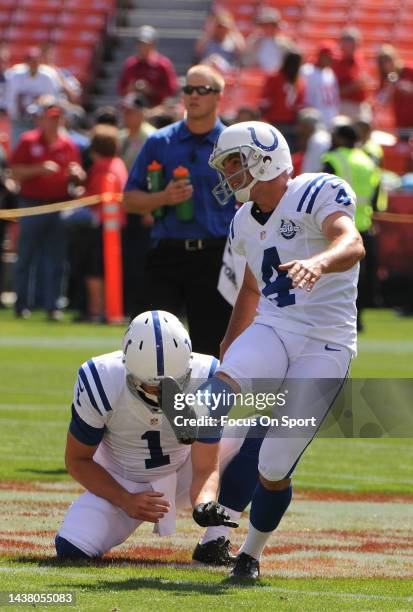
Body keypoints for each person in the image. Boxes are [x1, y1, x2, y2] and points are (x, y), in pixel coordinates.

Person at [162, 121, 365, 580]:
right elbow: (251, 287)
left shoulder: (316, 190)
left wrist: (317, 261)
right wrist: (230, 342)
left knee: (274, 464)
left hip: (326, 340)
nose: (229, 174)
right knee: (224, 382)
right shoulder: (242, 220)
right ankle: (200, 451)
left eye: (234, 162)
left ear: (263, 158)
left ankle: (250, 553)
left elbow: (351, 241)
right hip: (275, 326)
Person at [55, 311, 261, 564]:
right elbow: (77, 460)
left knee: (263, 432)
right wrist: (124, 499)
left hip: (183, 467)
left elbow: (206, 467)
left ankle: (215, 542)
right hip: (123, 479)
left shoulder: (207, 375)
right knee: (71, 548)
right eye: (152, 387)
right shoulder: (101, 379)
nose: (161, 394)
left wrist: (205, 504)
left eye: (171, 385)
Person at [123, 64, 235, 357]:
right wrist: (163, 197)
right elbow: (130, 199)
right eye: (188, 89)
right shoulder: (160, 141)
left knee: (212, 346)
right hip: (167, 253)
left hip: (217, 255)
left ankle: (208, 403)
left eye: (203, 90)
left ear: (218, 96)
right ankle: (155, 403)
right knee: (151, 344)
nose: (194, 95)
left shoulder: (234, 144)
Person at [9, 96, 84, 320]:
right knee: (26, 258)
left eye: (57, 118)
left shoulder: (68, 143)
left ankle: (53, 306)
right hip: (31, 205)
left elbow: (78, 175)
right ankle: (22, 304)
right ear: (40, 119)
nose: (55, 122)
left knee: (57, 259)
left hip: (58, 204)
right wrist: (38, 170)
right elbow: (15, 172)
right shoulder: (27, 141)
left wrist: (77, 175)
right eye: (50, 118)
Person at [321, 122, 382, 331]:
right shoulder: (368, 161)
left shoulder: (333, 159)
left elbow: (323, 192)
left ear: (341, 138)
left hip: (338, 226)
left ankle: (334, 318)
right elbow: (376, 197)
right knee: (362, 278)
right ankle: (359, 319)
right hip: (365, 225)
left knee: (336, 276)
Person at [5, 47, 62, 146]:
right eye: (31, 60)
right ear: (26, 61)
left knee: (41, 148)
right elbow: (10, 98)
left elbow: (53, 100)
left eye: (36, 60)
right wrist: (13, 114)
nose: (34, 63)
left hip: (40, 122)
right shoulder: (15, 74)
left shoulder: (48, 76)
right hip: (20, 119)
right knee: (17, 147)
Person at [118, 25, 177, 107]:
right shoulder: (130, 64)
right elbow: (121, 89)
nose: (142, 47)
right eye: (140, 43)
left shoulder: (162, 65)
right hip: (133, 110)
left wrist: (151, 91)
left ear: (153, 45)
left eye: (146, 44)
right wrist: (130, 89)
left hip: (156, 111)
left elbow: (171, 90)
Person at [259, 48, 305, 150]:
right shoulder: (278, 79)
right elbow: (265, 102)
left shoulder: (297, 82)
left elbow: (264, 102)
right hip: (275, 123)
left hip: (288, 125)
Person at [332, 28, 370, 122]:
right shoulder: (336, 63)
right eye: (349, 41)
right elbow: (334, 91)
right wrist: (352, 87)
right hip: (342, 105)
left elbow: (365, 83)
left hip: (360, 105)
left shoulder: (361, 61)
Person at [300, 42, 340, 129]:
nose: (332, 60)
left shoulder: (330, 72)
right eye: (329, 57)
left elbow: (335, 97)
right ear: (322, 56)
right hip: (312, 117)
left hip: (329, 116)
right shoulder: (307, 71)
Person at [376, 44, 413, 135]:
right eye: (383, 63)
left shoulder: (409, 70)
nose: (387, 65)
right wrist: (390, 86)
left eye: (389, 60)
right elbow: (382, 102)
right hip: (402, 123)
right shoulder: (386, 79)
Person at [243, 6, 292, 73]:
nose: (267, 28)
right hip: (258, 76)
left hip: (278, 76)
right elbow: (246, 62)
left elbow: (291, 63)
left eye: (271, 25)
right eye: (265, 25)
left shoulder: (285, 43)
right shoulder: (254, 41)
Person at [295, 108, 331, 173]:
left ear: (307, 126)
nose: (299, 130)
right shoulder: (316, 138)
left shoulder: (319, 141)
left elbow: (317, 168)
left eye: (301, 126)